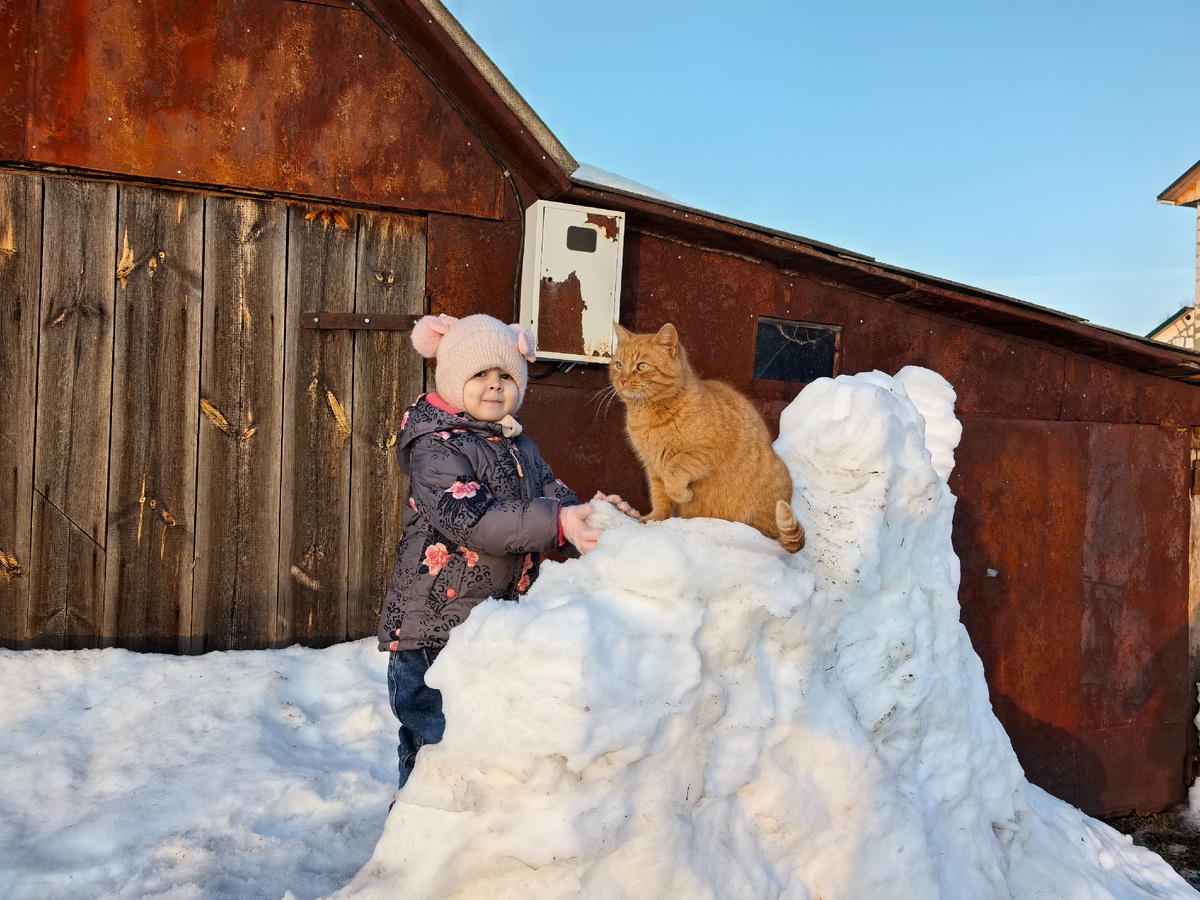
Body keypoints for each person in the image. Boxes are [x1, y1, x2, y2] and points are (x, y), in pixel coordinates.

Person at [378, 312, 637, 790]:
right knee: (436, 742)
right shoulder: (435, 448)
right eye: (479, 375)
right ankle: (417, 827)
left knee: (479, 743)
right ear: (453, 380)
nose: (494, 387)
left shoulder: (520, 447)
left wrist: (593, 516)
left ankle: (472, 831)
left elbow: (553, 495)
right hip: (433, 630)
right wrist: (558, 524)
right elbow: (474, 521)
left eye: (505, 377)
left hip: (489, 627)